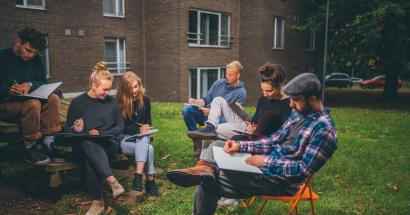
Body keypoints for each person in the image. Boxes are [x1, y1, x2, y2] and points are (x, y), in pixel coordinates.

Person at [166, 73, 338, 215]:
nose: (291, 104)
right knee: (218, 144)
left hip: (278, 181)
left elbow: (303, 170)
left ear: (313, 99)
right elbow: (273, 140)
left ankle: (205, 172)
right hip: (261, 167)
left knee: (207, 184)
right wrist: (241, 147)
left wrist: (265, 162)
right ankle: (205, 168)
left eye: (295, 100)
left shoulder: (324, 130)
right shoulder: (298, 114)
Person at [216, 63, 292, 206]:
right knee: (234, 141)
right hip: (255, 137)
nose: (266, 94)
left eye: (269, 91)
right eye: (263, 90)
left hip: (271, 145)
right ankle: (229, 188)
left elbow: (286, 134)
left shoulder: (289, 104)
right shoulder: (262, 100)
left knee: (238, 146)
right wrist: (251, 127)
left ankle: (234, 193)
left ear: (281, 84)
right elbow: (256, 121)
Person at [66, 62, 125, 215]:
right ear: (93, 85)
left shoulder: (112, 103)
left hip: (108, 145)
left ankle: (97, 203)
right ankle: (112, 181)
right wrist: (76, 129)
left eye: (109, 89)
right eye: (104, 89)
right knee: (88, 144)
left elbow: (119, 127)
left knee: (91, 154)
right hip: (84, 145)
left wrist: (100, 133)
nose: (107, 93)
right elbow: (68, 129)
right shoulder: (78, 102)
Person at [0, 27, 62, 165]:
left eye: (35, 53)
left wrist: (30, 84)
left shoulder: (35, 59)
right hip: (5, 104)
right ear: (18, 42)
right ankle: (30, 149)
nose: (31, 55)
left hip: (27, 100)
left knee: (53, 99)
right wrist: (7, 90)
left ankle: (48, 144)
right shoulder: (2, 57)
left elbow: (43, 81)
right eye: (28, 50)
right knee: (32, 104)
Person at [182, 61, 247, 159]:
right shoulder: (218, 83)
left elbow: (233, 116)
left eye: (231, 75)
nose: (227, 76)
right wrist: (195, 102)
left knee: (219, 119)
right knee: (187, 110)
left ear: (238, 75)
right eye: (226, 74)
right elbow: (206, 99)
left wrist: (212, 112)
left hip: (222, 118)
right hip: (205, 111)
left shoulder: (241, 92)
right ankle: (197, 139)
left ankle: (206, 136)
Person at [117, 71, 161, 196]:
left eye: (136, 86)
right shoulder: (119, 103)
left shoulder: (145, 101)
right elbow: (120, 128)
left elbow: (148, 121)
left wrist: (147, 128)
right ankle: (150, 182)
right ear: (125, 89)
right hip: (124, 139)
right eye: (131, 88)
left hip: (141, 139)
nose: (134, 90)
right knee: (149, 148)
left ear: (140, 85)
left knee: (147, 144)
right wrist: (138, 131)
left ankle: (138, 178)